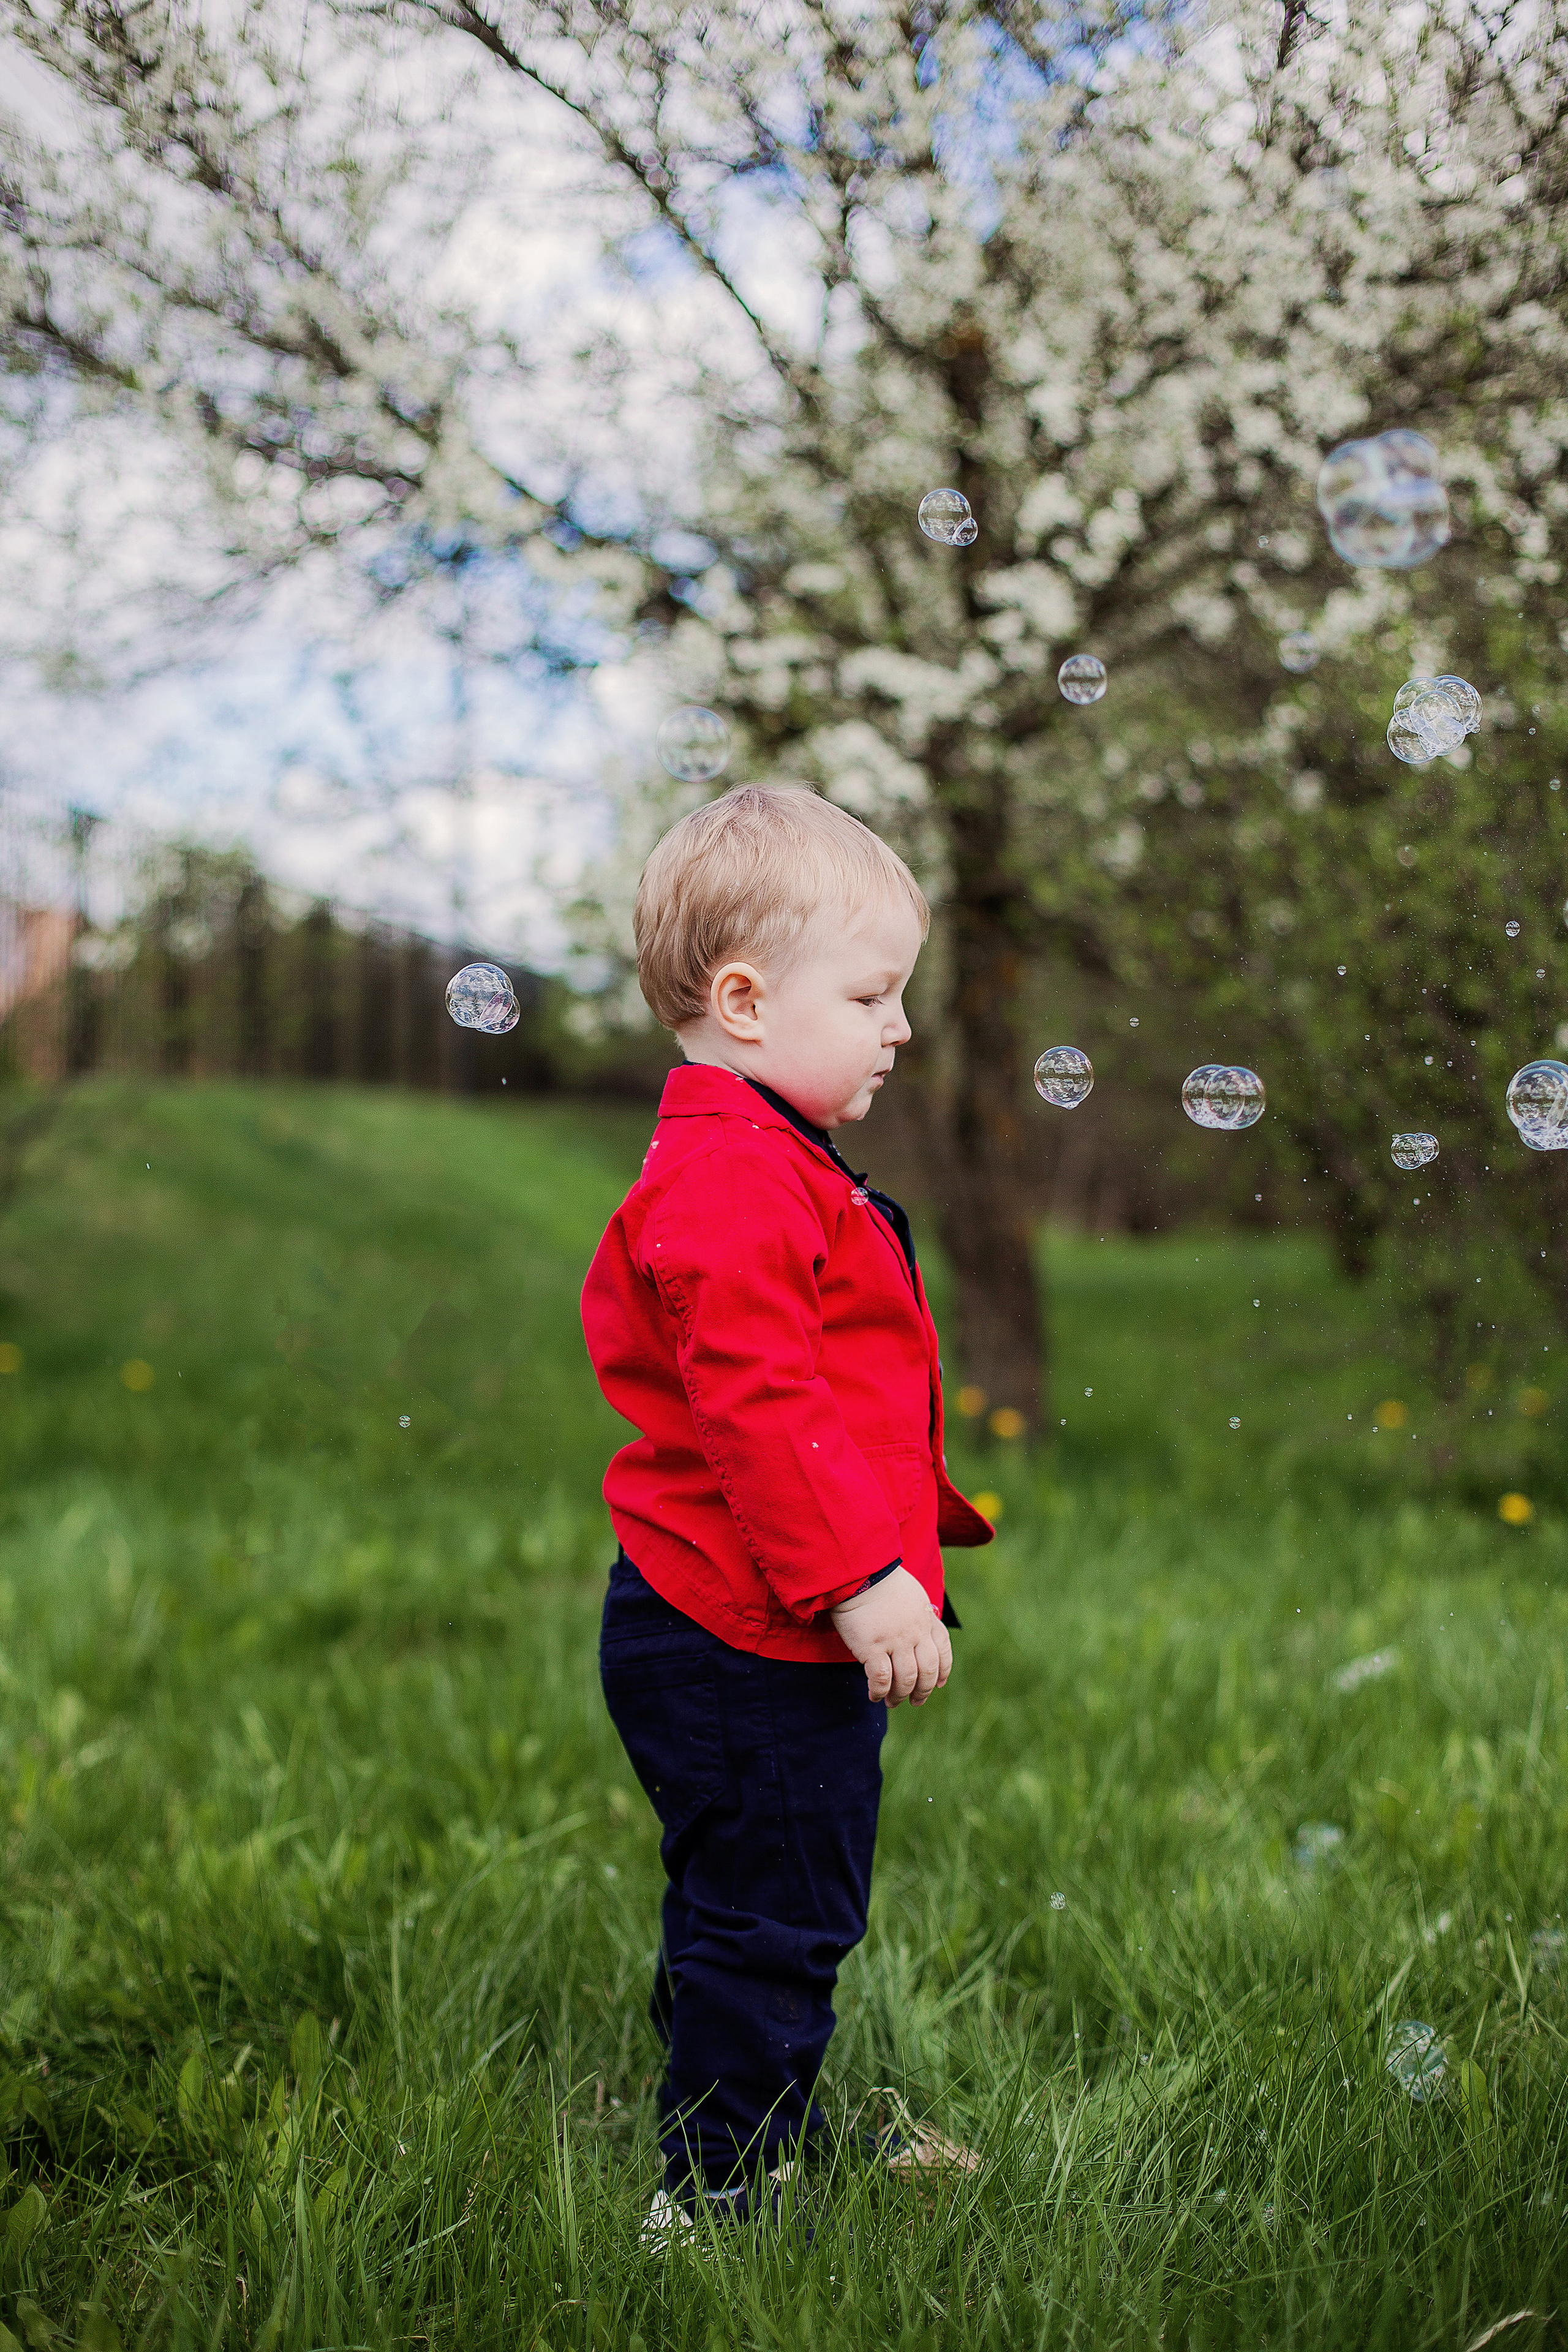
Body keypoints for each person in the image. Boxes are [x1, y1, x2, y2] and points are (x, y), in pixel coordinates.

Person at [580, 783, 994, 2241]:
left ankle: (747, 2115)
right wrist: (862, 1579)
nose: (896, 1028)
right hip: (747, 1632)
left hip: (727, 1621)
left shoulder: (760, 1156)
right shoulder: (733, 1176)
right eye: (874, 995)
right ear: (744, 1001)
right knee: (779, 1911)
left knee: (743, 1898)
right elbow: (761, 1405)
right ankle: (715, 2193)